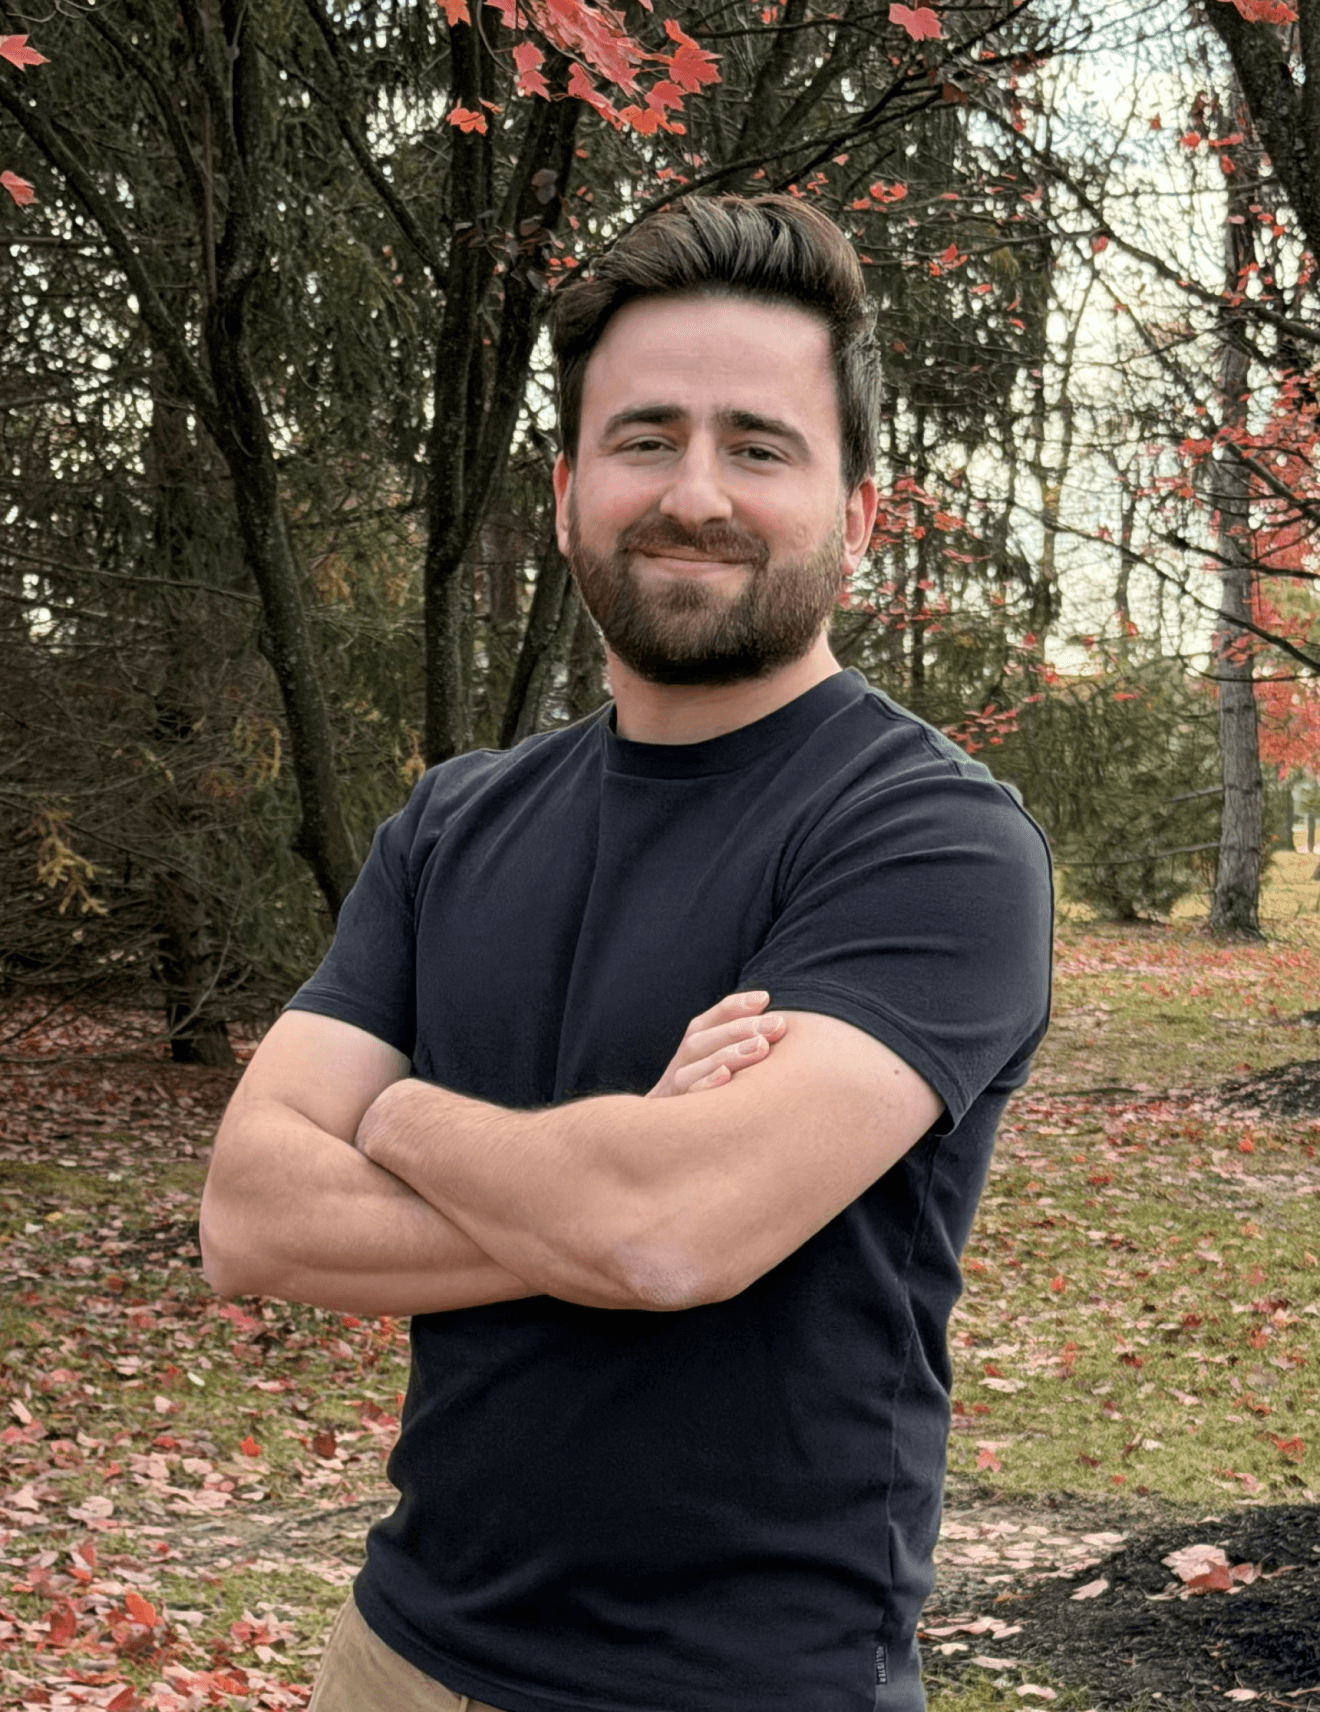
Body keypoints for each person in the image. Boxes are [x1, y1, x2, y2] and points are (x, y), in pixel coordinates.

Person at [199, 193, 1053, 1712]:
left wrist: (393, 1115)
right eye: (645, 438)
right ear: (566, 492)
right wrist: (607, 1197)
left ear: (859, 514)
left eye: (760, 446)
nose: (694, 492)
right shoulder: (452, 824)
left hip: (742, 1682)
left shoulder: (932, 839)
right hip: (395, 1655)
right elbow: (251, 1218)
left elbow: (666, 1234)